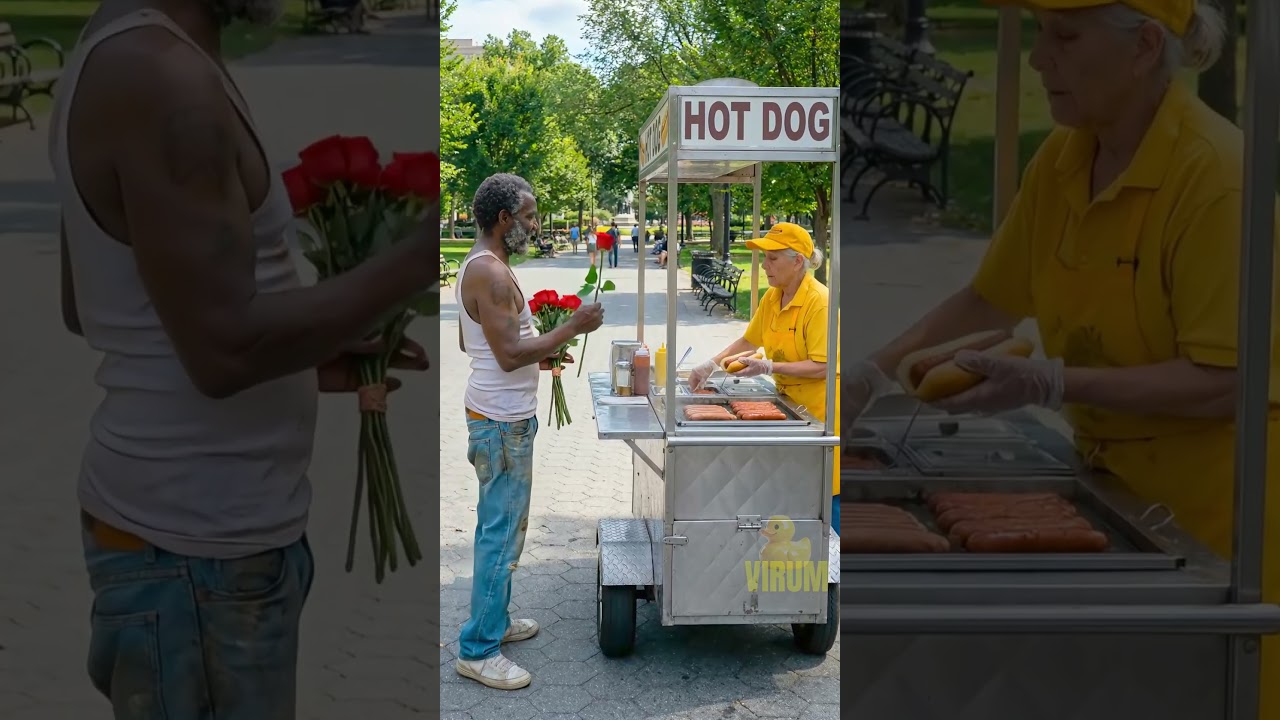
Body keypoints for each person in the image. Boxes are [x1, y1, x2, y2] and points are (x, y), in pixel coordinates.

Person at [844, 0, 1280, 711]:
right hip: (1121, 489)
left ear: (1143, 47)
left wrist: (1051, 382)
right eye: (1041, 34)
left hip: (1220, 526)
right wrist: (868, 373)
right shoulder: (1066, 154)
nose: (1039, 58)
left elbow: (1223, 383)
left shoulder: (1215, 178)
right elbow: (991, 297)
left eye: (1065, 37)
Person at [49, 0, 435, 713]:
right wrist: (420, 255)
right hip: (194, 556)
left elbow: (103, 306)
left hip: (200, 550)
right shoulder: (159, 74)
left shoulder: (139, 52)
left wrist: (306, 357)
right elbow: (223, 348)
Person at [454, 174, 605, 690]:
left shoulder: (482, 266)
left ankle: (492, 623)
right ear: (504, 219)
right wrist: (572, 328)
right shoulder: (492, 275)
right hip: (500, 424)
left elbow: (470, 345)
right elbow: (508, 352)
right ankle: (477, 649)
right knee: (500, 533)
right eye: (531, 216)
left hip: (499, 415)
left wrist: (538, 358)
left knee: (505, 528)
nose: (536, 224)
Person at [689, 223, 840, 528]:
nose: (765, 265)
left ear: (798, 261)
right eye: (764, 257)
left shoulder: (819, 302)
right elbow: (749, 341)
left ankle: (833, 567)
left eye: (772, 258)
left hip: (824, 413)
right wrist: (711, 364)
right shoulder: (773, 297)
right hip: (792, 406)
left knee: (826, 494)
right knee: (797, 493)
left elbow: (824, 365)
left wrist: (770, 367)